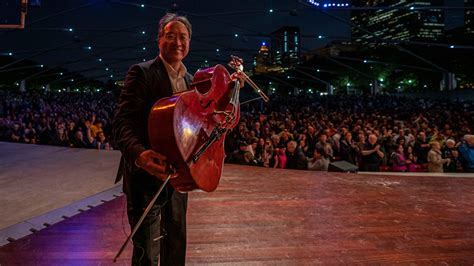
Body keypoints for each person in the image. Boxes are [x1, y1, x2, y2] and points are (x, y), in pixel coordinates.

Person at [113, 13, 244, 265]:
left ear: (190, 42)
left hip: (179, 176)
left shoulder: (191, 82)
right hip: (145, 177)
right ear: (159, 38)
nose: (177, 42)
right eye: (170, 35)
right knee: (147, 253)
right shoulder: (142, 72)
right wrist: (139, 155)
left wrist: (230, 92)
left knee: (175, 244)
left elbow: (206, 123)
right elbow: (122, 123)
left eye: (183, 37)